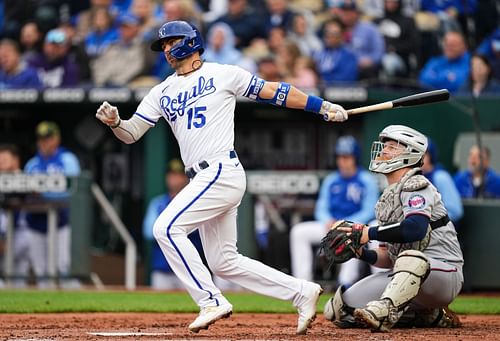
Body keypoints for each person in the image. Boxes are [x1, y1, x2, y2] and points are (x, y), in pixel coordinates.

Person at [95, 20, 348, 334]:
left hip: (219, 170)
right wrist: (116, 122)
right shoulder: (161, 91)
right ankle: (301, 291)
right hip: (201, 178)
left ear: (189, 41)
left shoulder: (224, 73)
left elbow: (276, 92)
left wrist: (320, 105)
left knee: (166, 227)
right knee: (223, 262)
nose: (166, 49)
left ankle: (210, 300)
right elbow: (132, 134)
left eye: (171, 42)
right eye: (163, 45)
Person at [323, 125, 464, 331]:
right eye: (385, 146)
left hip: (444, 273)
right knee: (339, 309)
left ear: (410, 153)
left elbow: (415, 228)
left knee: (411, 258)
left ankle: (386, 311)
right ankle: (430, 316)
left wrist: (367, 233)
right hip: (408, 274)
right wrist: (361, 253)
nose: (382, 151)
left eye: (391, 147)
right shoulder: (386, 200)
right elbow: (386, 258)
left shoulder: (417, 184)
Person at [290, 135, 378, 287]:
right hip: (331, 226)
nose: (342, 161)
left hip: (355, 227)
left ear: (355, 158)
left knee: (352, 236)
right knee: (299, 232)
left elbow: (370, 210)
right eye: (340, 157)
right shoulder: (331, 180)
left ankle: (346, 283)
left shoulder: (367, 180)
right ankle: (303, 285)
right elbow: (321, 208)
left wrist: (346, 224)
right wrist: (328, 221)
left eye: (347, 157)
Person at [24, 121, 81, 288]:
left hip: (60, 221)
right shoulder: (32, 164)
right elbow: (23, 190)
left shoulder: (67, 159)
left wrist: (44, 192)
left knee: (63, 266)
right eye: (41, 139)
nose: (44, 142)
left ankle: (76, 308)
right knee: (40, 270)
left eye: (48, 138)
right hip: (35, 222)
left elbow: (73, 188)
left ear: (56, 139)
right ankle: (47, 308)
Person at [143, 158, 204, 290]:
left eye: (178, 175)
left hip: (189, 268)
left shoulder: (195, 202)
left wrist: (169, 228)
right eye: (171, 175)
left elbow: (200, 230)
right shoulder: (158, 203)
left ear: (186, 177)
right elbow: (149, 232)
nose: (174, 179)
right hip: (163, 268)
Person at [0, 144, 31, 288]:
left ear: (16, 160)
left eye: (5, 159)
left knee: (19, 277)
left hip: (24, 231)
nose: (1, 164)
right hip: (7, 233)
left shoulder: (25, 178)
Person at [421, 138, 463, 224]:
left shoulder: (441, 177)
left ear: (430, 156)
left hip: (439, 233)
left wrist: (430, 222)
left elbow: (455, 211)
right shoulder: (413, 177)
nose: (418, 159)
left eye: (423, 155)